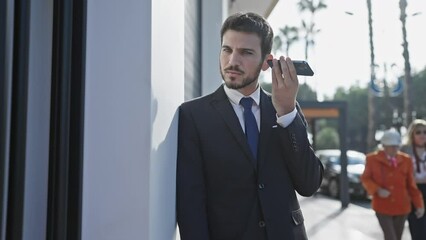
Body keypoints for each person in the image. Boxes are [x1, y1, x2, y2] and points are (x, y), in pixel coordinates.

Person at [176, 12, 323, 240]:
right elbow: (190, 203)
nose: (233, 61)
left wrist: (287, 114)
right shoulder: (193, 116)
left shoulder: (286, 110)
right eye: (227, 50)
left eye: (246, 52)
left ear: (267, 62)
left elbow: (309, 184)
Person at [361, 129, 425, 240]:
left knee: (397, 237)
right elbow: (365, 179)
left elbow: (411, 185)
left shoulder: (406, 160)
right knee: (391, 237)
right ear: (384, 146)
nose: (394, 149)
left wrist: (419, 204)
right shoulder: (372, 159)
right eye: (391, 146)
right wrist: (377, 189)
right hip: (382, 206)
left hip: (402, 207)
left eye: (396, 146)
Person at [400, 119, 426, 240]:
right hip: (413, 190)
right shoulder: (405, 150)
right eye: (418, 132)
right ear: (412, 134)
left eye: (425, 132)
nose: (422, 135)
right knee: (417, 227)